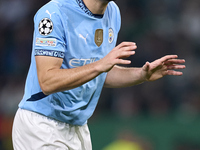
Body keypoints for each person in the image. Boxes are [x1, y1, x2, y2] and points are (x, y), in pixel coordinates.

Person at [12, 0, 185, 149]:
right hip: (42, 124)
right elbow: (47, 81)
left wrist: (141, 74)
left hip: (78, 128)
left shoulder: (113, 12)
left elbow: (100, 73)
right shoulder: (53, 13)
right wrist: (100, 65)